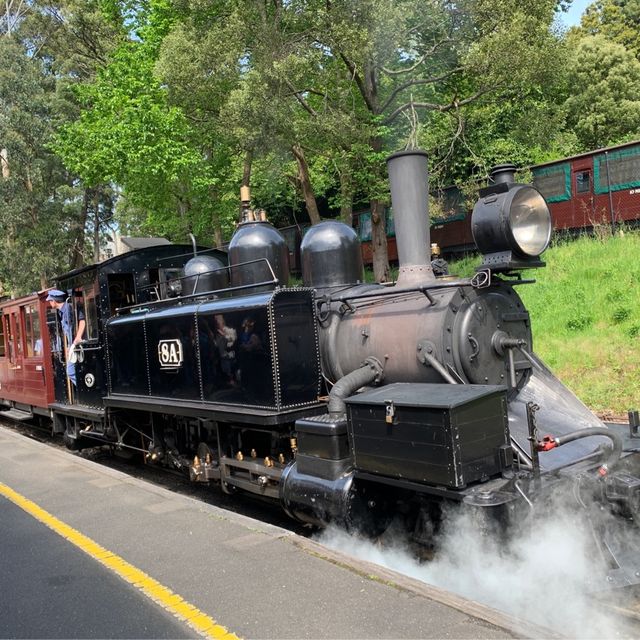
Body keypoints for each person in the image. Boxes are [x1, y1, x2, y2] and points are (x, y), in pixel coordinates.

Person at [46, 289, 85, 385]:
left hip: (77, 344)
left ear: (54, 301)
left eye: (50, 301)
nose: (49, 303)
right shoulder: (61, 312)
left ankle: (83, 390)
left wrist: (78, 337)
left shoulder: (68, 308)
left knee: (71, 371)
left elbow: (82, 320)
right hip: (72, 345)